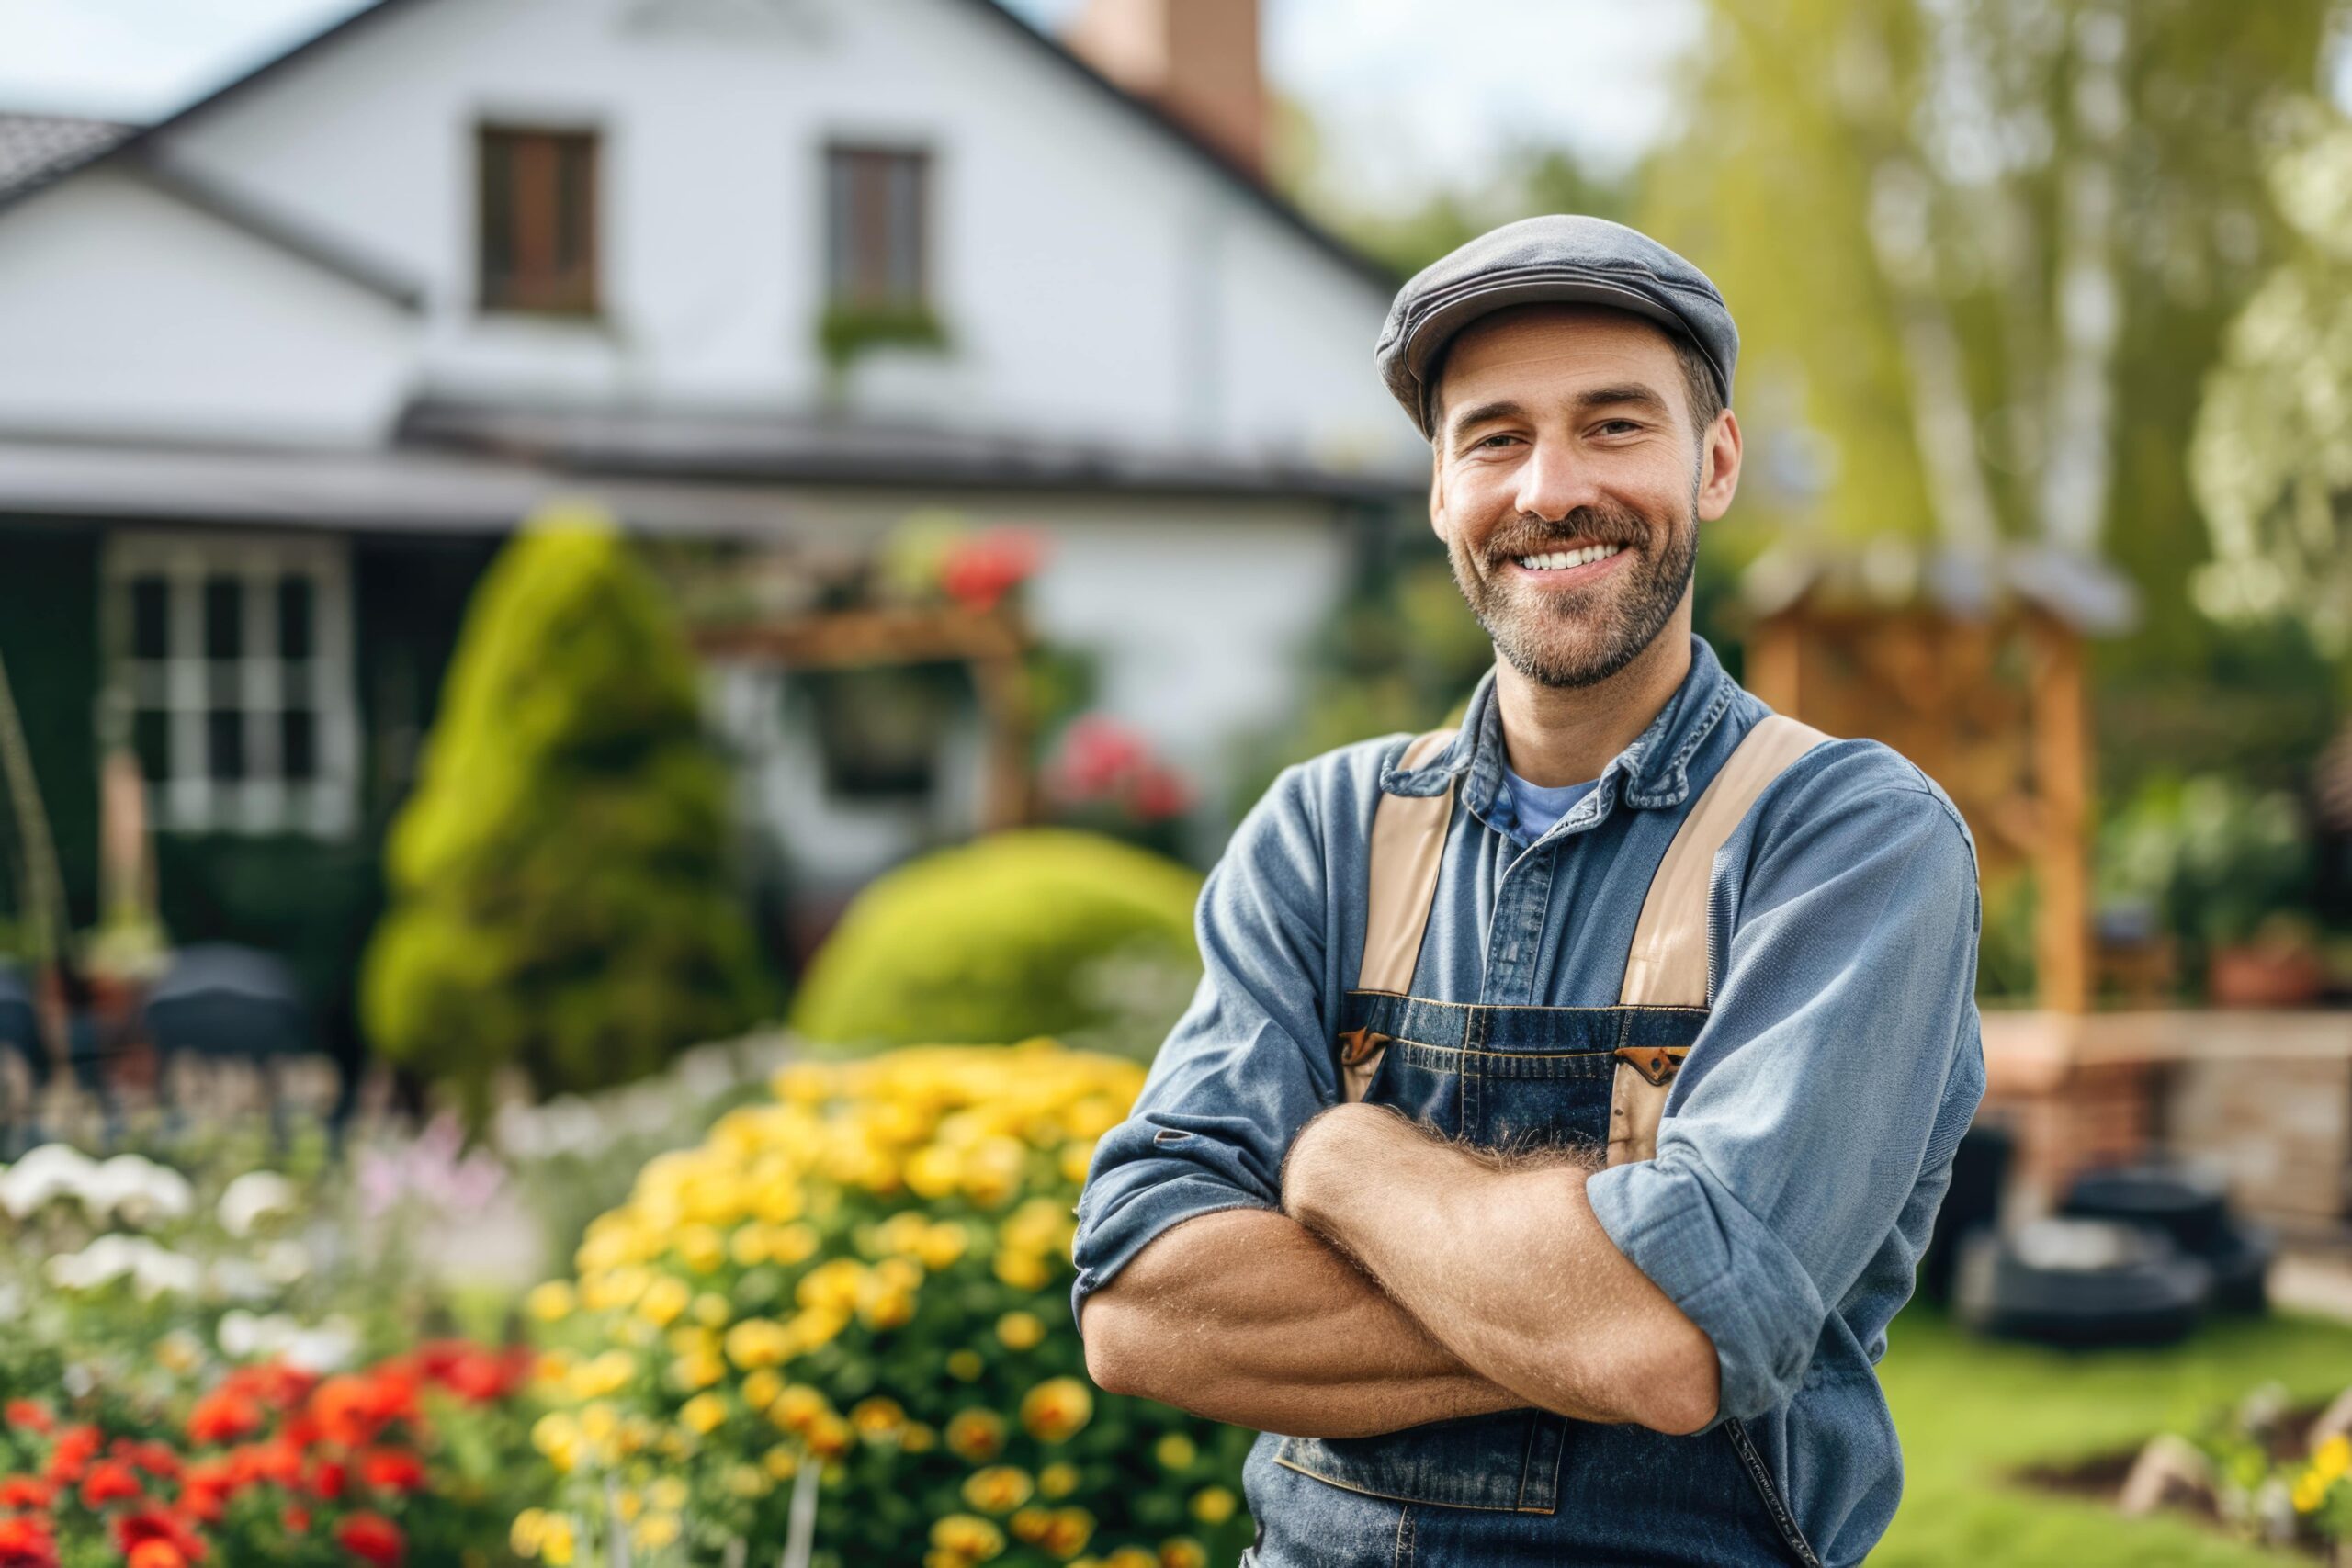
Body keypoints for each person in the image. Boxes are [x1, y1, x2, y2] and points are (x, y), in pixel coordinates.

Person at [1069, 216, 1985, 1568]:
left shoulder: (1848, 839)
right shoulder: (1323, 830)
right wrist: (1601, 1301)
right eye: (1494, 437)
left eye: (1615, 425)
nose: (1550, 488)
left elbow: (1668, 1344)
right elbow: (1142, 1312)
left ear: (1714, 462)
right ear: (1441, 491)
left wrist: (1342, 1162)